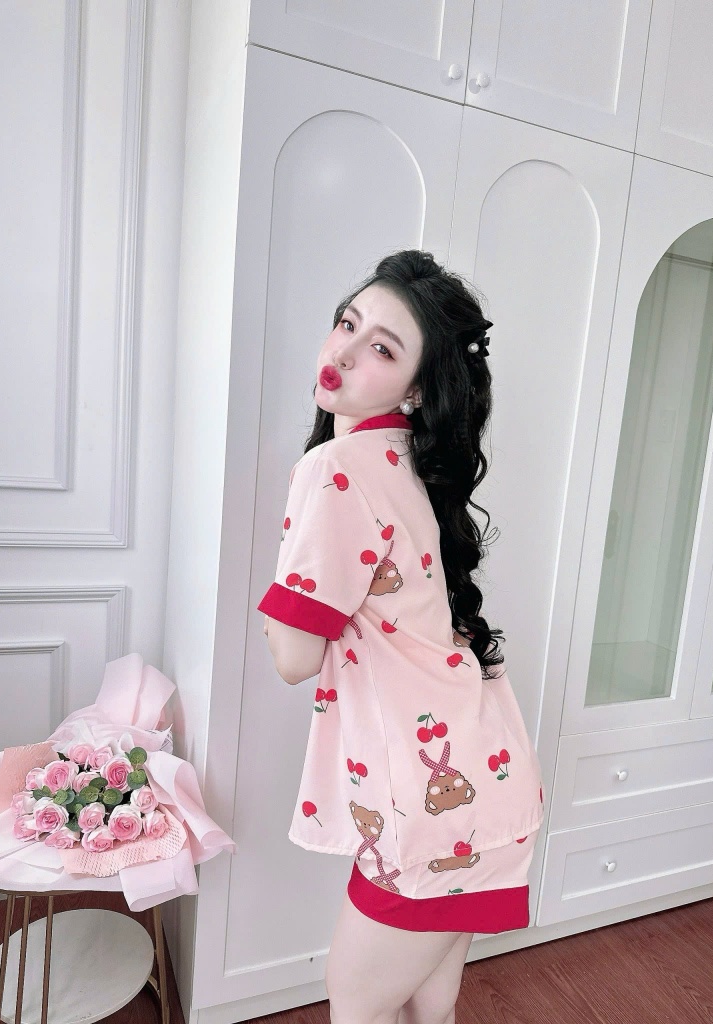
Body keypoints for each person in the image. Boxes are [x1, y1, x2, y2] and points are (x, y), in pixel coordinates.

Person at [258, 250, 544, 1024]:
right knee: (429, 1007)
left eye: (382, 348)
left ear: (417, 389)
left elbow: (293, 658)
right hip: (485, 780)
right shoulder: (411, 463)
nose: (346, 351)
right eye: (347, 324)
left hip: (423, 805)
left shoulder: (338, 467)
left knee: (360, 1008)